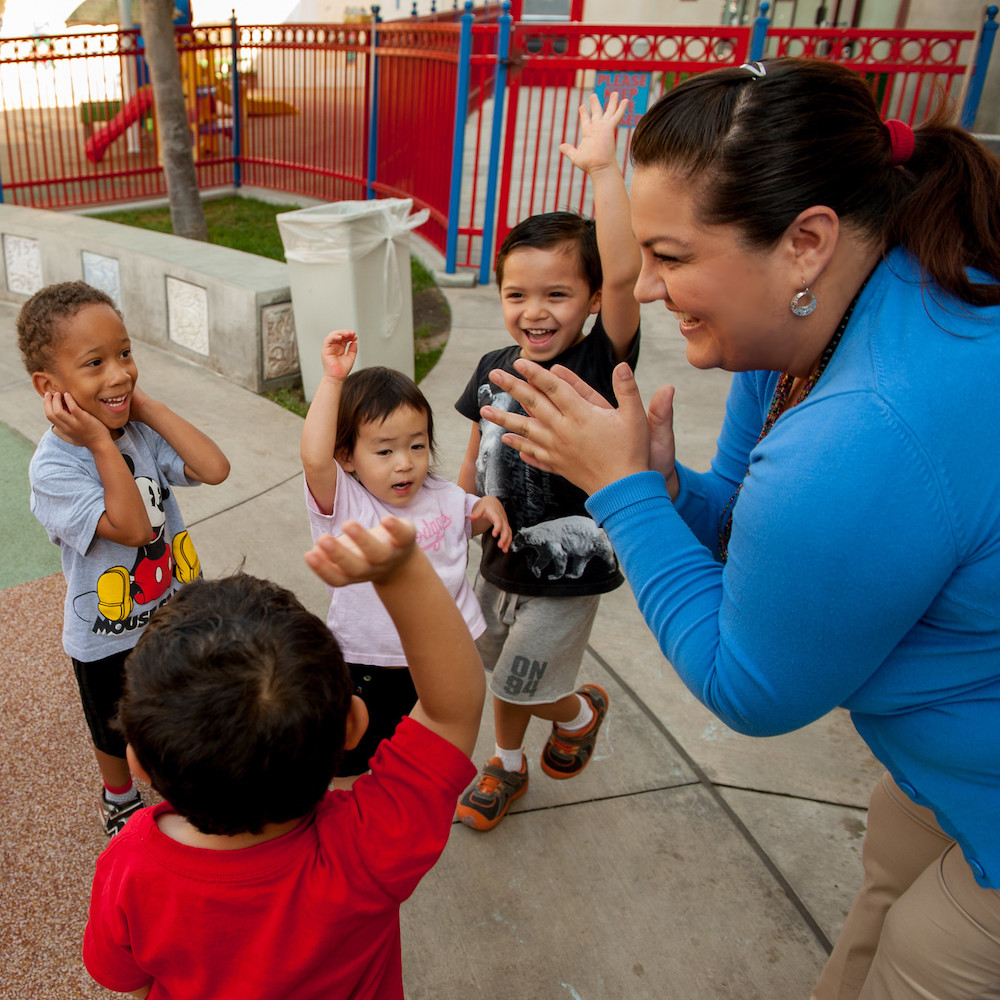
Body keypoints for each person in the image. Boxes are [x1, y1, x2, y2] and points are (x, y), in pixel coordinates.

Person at [480, 57, 1000, 999]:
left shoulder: (866, 429)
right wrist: (671, 491)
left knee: (918, 959)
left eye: (670, 257)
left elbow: (750, 686)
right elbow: (751, 526)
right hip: (940, 772)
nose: (648, 289)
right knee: (880, 898)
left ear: (804, 242)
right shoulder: (813, 326)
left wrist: (624, 492)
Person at [82, 517, 485, 1000]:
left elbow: (126, 978)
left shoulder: (130, 866)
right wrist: (403, 575)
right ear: (353, 724)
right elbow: (451, 712)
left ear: (139, 763)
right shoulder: (368, 849)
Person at [453, 91, 641, 831]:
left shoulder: (599, 357)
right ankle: (507, 766)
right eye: (517, 293)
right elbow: (478, 444)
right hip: (500, 558)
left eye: (558, 293)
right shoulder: (496, 363)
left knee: (529, 680)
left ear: (592, 299)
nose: (535, 310)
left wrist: (603, 171)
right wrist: (466, 504)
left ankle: (577, 707)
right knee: (501, 669)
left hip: (570, 568)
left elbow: (626, 273)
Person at [18, 281, 230, 837]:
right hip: (106, 632)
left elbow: (214, 468)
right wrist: (100, 442)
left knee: (183, 704)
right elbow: (135, 528)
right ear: (49, 387)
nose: (118, 373)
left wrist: (146, 406)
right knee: (113, 728)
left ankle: (183, 777)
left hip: (175, 608)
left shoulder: (136, 428)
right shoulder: (54, 470)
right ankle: (119, 798)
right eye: (95, 363)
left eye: (125, 354)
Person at [301, 329, 509, 779]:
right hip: (368, 660)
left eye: (417, 445)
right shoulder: (347, 502)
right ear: (348, 457)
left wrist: (486, 508)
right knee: (352, 756)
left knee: (421, 754)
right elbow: (315, 460)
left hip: (439, 657)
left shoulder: (440, 492)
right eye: (385, 450)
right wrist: (333, 380)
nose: (405, 462)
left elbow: (465, 519)